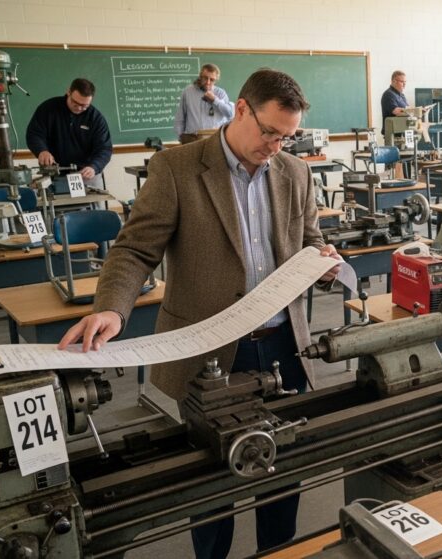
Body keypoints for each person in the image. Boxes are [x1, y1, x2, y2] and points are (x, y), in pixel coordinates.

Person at [57, 68, 341, 558]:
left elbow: (309, 242)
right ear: (242, 109)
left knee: (281, 474)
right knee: (210, 488)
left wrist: (327, 263)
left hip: (281, 345)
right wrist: (112, 310)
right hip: (207, 353)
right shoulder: (176, 169)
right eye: (269, 132)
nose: (275, 145)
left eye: (286, 137)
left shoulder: (296, 172)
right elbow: (134, 251)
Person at [26, 78, 113, 187]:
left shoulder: (95, 118)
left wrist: (94, 167)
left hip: (86, 175)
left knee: (91, 204)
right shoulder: (48, 109)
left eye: (84, 106)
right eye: (75, 103)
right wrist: (41, 150)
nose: (79, 108)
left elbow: (104, 148)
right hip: (53, 173)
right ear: (69, 92)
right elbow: (34, 134)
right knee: (57, 203)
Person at [175, 63, 234, 144]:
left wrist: (215, 100)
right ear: (200, 76)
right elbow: (180, 117)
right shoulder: (188, 92)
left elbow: (230, 114)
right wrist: (181, 137)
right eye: (205, 78)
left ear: (216, 80)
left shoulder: (220, 93)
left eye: (212, 79)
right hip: (192, 139)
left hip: (215, 139)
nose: (208, 82)